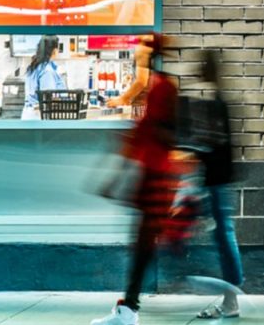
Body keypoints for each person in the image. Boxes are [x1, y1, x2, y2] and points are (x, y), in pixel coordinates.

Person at [93, 34, 181, 325]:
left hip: (154, 176)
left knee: (144, 244)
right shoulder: (166, 86)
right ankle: (129, 306)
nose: (137, 57)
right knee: (145, 243)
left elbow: (143, 134)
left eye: (141, 53)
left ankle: (129, 310)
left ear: (150, 55)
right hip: (159, 175)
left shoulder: (158, 89)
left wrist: (115, 178)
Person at [192, 50, 244, 321]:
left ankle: (231, 298)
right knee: (223, 234)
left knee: (223, 236)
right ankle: (230, 296)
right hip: (219, 179)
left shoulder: (215, 105)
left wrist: (193, 150)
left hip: (216, 180)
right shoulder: (218, 102)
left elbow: (213, 145)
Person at [21, 35, 63, 120]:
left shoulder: (34, 66)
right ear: (54, 50)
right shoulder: (47, 71)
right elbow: (48, 99)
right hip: (39, 117)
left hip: (29, 115)